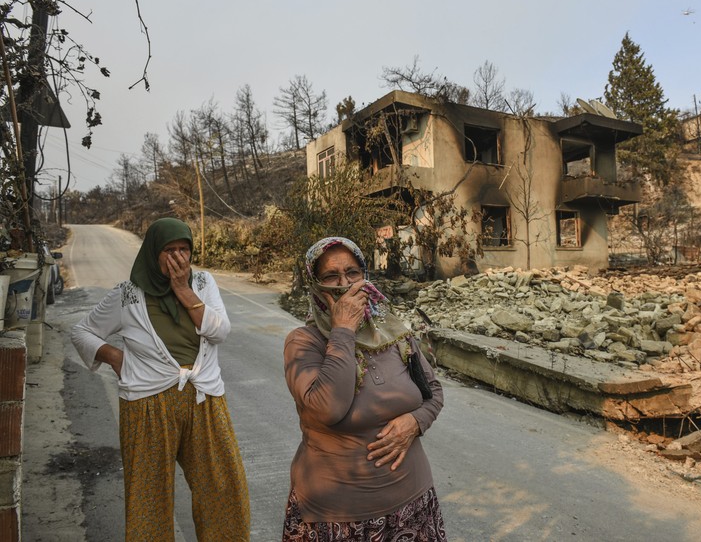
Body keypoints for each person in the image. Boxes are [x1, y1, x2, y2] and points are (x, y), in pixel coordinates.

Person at [71, 217, 250, 541]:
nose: (179, 259)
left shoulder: (203, 283)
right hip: (147, 406)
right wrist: (115, 358)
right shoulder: (128, 295)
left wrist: (183, 290)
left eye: (184, 250)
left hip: (205, 399)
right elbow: (81, 331)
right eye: (169, 250)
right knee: (148, 498)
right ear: (153, 253)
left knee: (225, 488)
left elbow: (220, 331)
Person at [282, 237, 447, 541]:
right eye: (331, 276)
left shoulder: (393, 332)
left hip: (412, 505)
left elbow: (433, 392)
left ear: (365, 275)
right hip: (337, 518)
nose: (344, 283)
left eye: (353, 273)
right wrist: (342, 329)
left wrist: (415, 422)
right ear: (315, 285)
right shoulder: (304, 343)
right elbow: (327, 409)